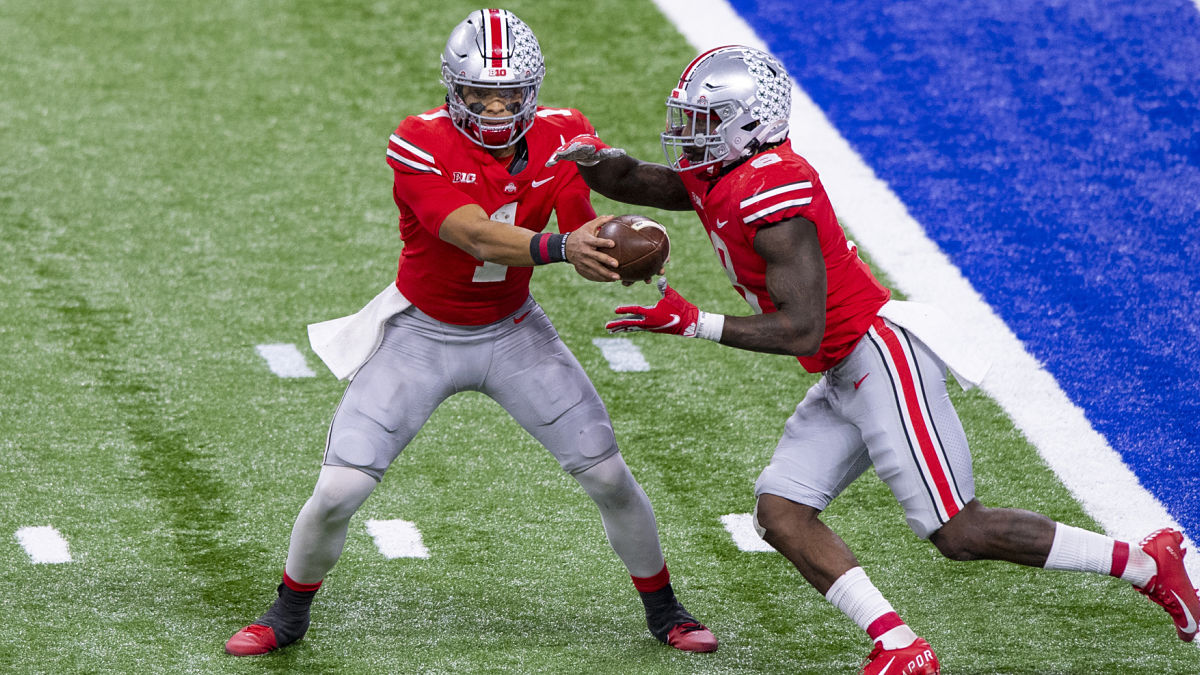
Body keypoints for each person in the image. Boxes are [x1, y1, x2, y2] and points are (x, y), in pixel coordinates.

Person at [548, 44, 1200, 674]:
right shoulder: (723, 172)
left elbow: (801, 329)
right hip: (842, 366)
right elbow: (645, 180)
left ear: (748, 125)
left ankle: (1146, 563)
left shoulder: (776, 191)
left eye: (702, 121)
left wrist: (693, 322)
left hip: (878, 354)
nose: (687, 134)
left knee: (957, 529)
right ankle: (899, 644)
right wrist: (586, 159)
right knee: (782, 512)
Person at [224, 9, 717, 657]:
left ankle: (665, 610)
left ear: (531, 91)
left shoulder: (564, 134)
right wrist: (565, 246)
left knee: (609, 476)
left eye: (508, 94)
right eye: (478, 94)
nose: (493, 108)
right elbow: (473, 233)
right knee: (339, 490)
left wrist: (617, 249)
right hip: (421, 333)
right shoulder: (418, 141)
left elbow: (578, 229)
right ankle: (287, 612)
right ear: (451, 91)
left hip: (513, 331)